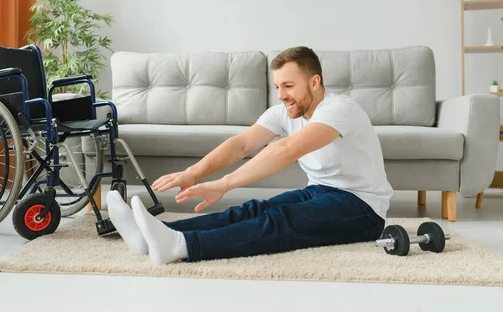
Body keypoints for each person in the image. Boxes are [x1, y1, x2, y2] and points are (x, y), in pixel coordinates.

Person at [105, 46, 394, 265]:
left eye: (289, 86)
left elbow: (286, 149)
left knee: (280, 221)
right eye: (278, 86)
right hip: (320, 191)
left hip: (362, 209)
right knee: (251, 210)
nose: (281, 95)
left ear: (315, 82)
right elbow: (241, 144)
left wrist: (225, 183)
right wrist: (194, 172)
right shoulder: (285, 111)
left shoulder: (339, 110)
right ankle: (152, 234)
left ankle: (182, 246)